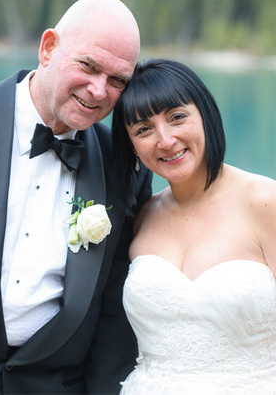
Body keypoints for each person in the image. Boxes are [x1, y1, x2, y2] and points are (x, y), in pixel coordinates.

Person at [0, 0, 153, 394]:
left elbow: (115, 309)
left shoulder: (125, 165)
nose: (98, 91)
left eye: (117, 81)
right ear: (48, 49)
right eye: (89, 66)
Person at [112, 59, 276, 394]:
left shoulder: (265, 202)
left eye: (177, 117)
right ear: (132, 147)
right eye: (144, 129)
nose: (166, 139)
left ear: (205, 114)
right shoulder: (144, 216)